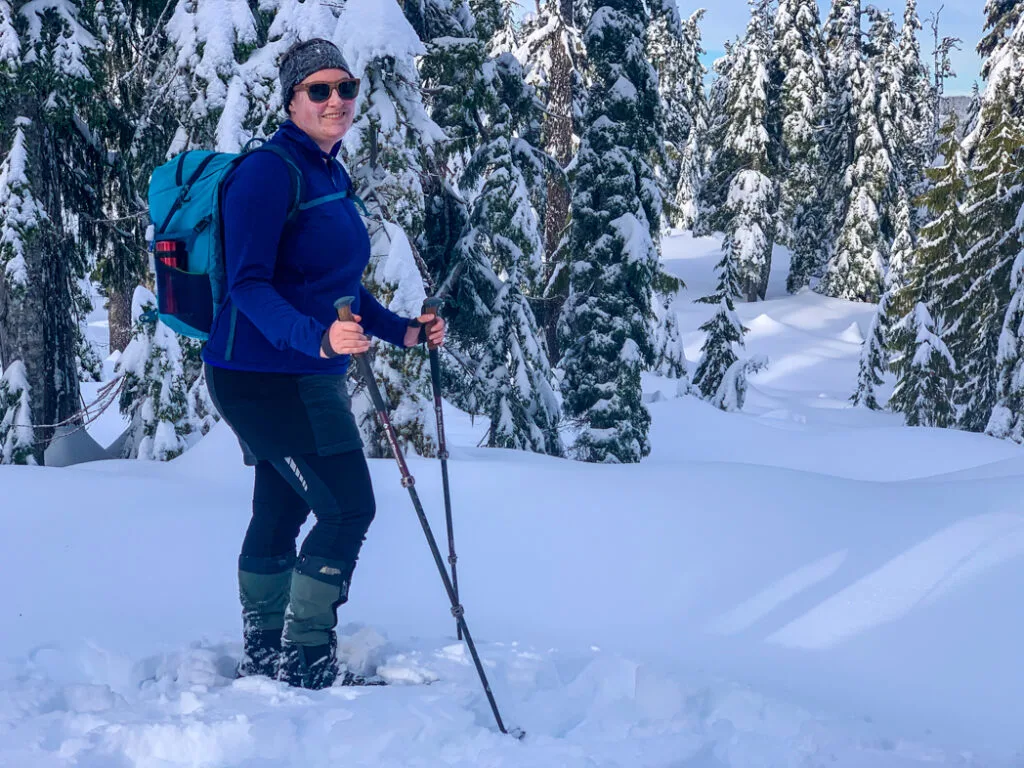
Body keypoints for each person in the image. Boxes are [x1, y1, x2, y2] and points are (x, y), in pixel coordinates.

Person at [201, 38, 445, 690]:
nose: (336, 99)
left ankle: (266, 653)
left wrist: (402, 332)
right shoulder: (266, 173)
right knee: (347, 508)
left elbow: (339, 284)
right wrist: (317, 339)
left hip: (306, 371)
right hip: (257, 376)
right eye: (319, 90)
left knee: (282, 510)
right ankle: (304, 656)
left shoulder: (330, 173)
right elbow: (249, 286)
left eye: (346, 88)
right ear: (291, 100)